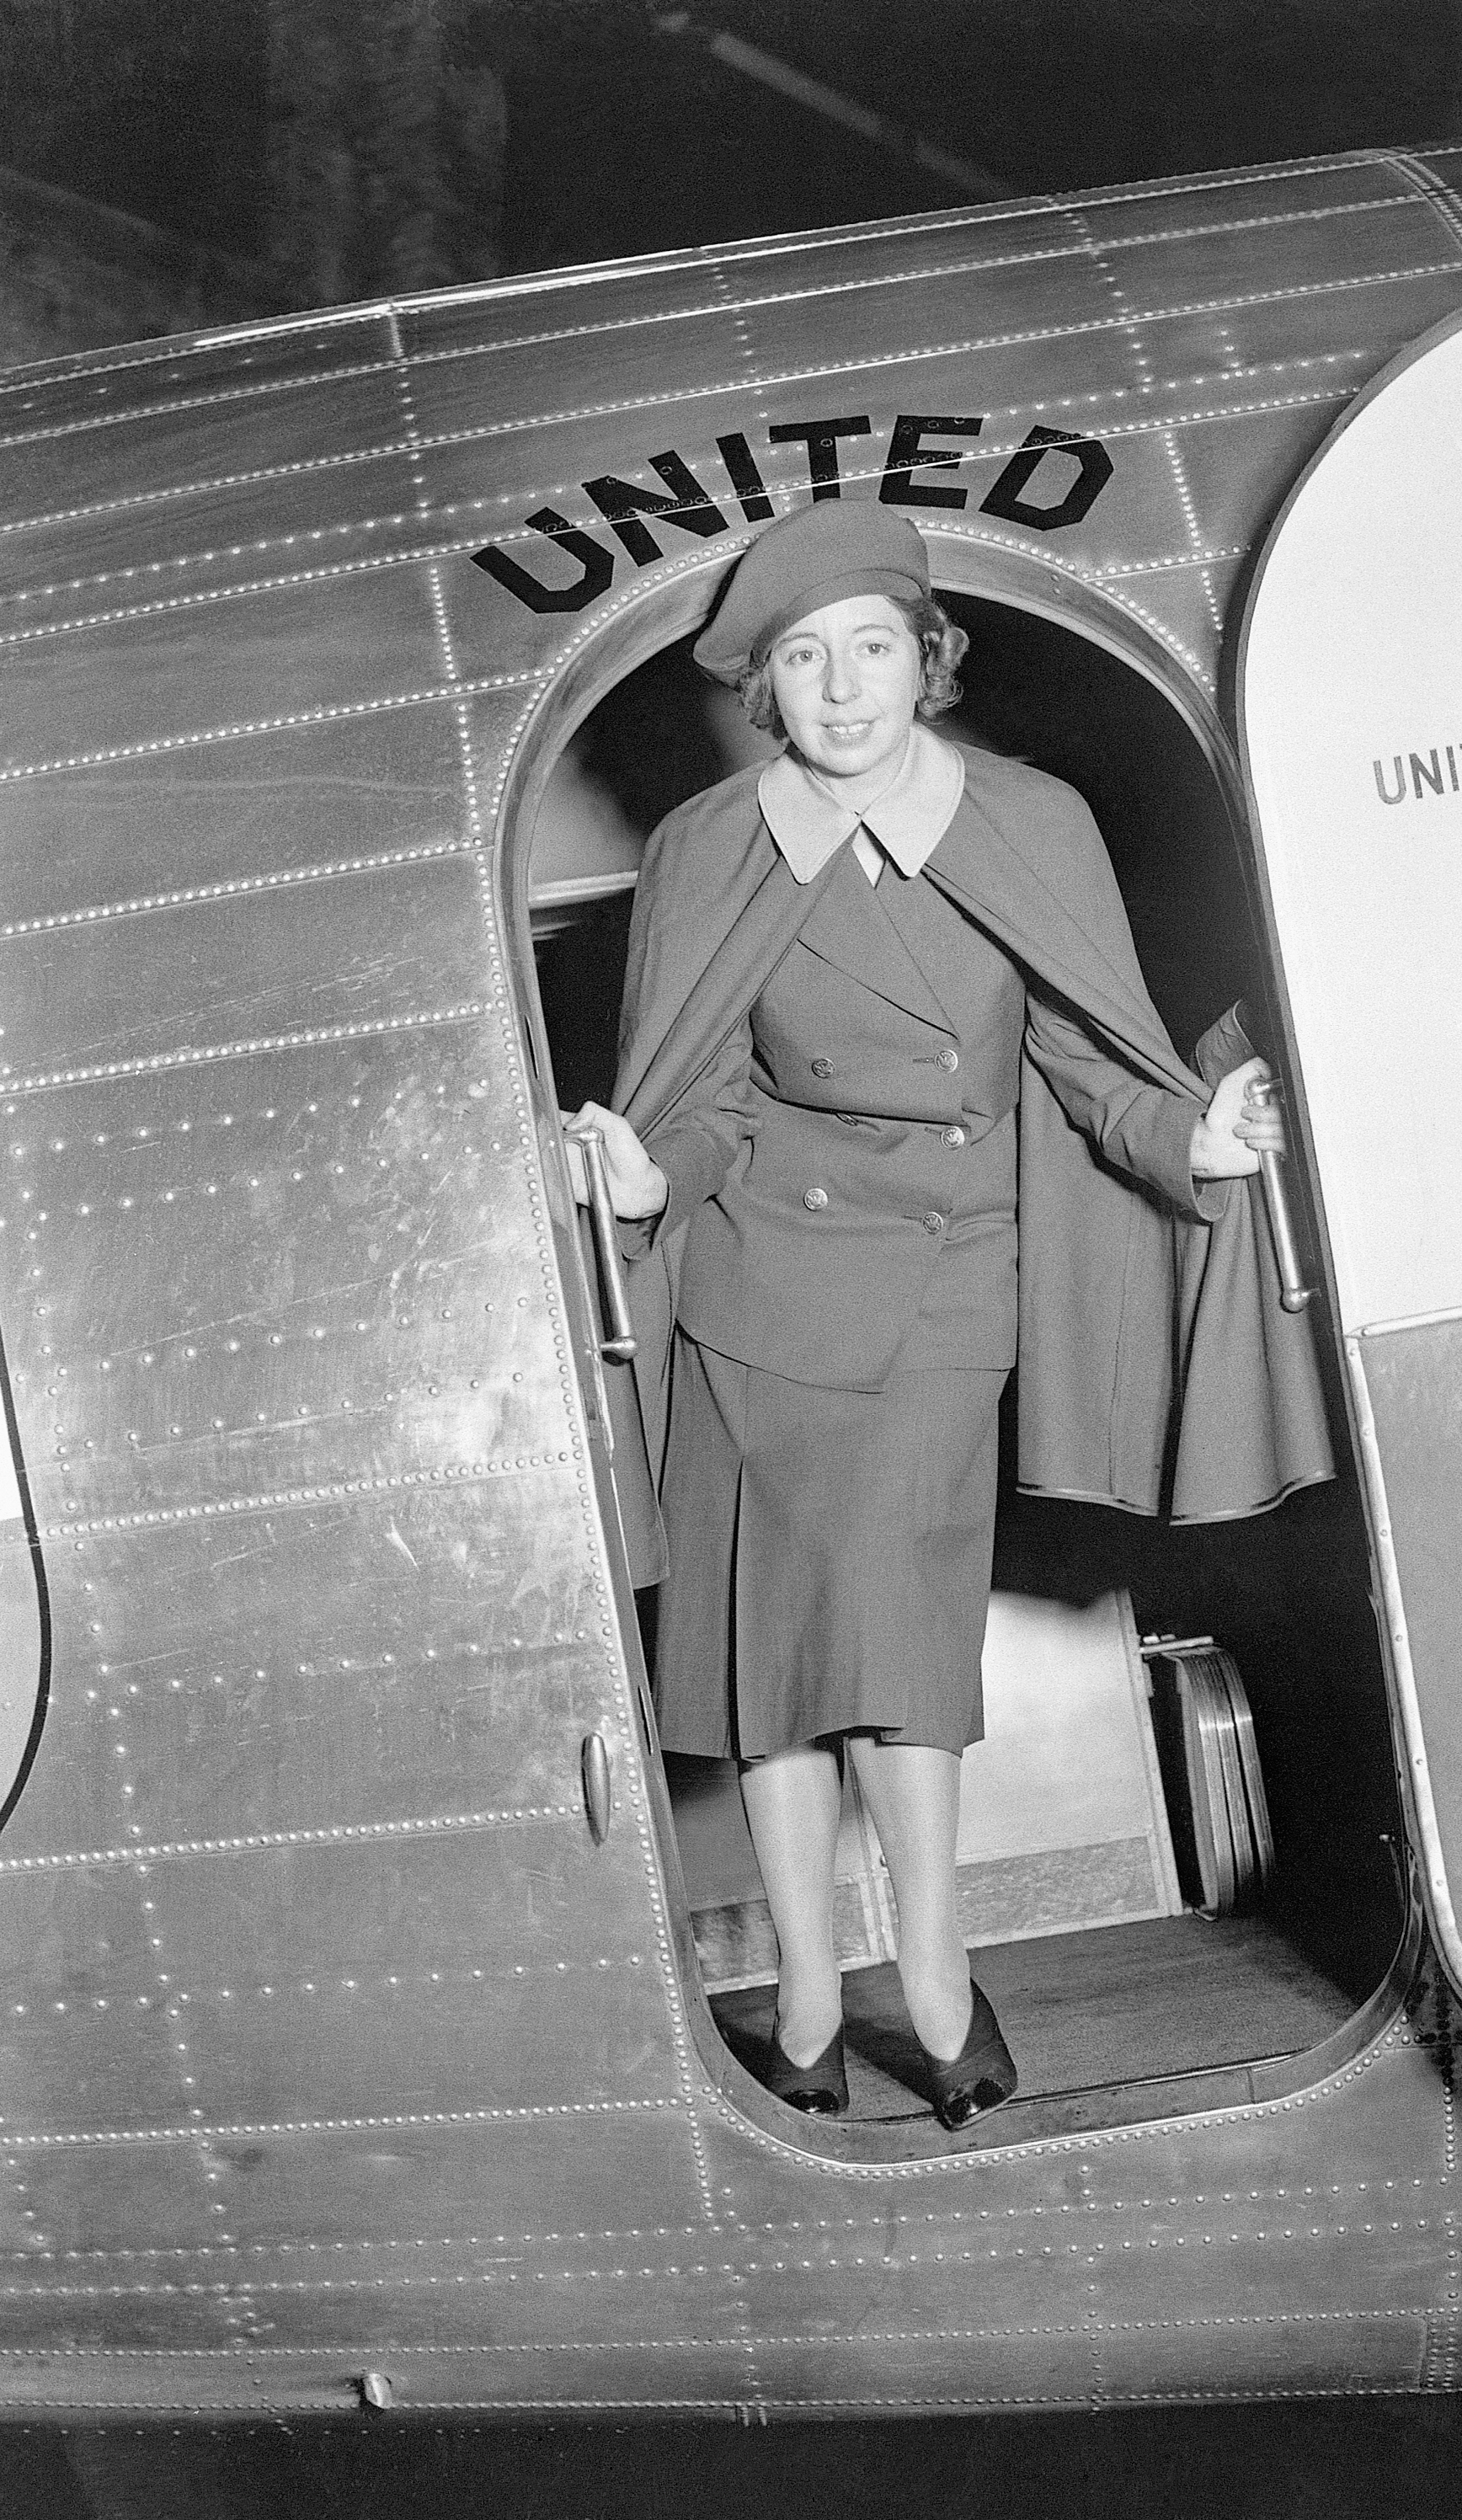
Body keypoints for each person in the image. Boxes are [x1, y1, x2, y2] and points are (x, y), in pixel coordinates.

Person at [566, 502, 1330, 2128]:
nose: (842, 689)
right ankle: (806, 1994)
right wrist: (642, 1178)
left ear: (928, 658)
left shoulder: (1030, 820)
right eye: (802, 659)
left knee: (899, 1651)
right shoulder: (709, 844)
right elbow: (701, 1100)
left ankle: (928, 1970)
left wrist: (1188, 1135)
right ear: (765, 687)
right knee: (766, 1667)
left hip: (942, 1286)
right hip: (756, 1292)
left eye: (871, 648)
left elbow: (1084, 1052)